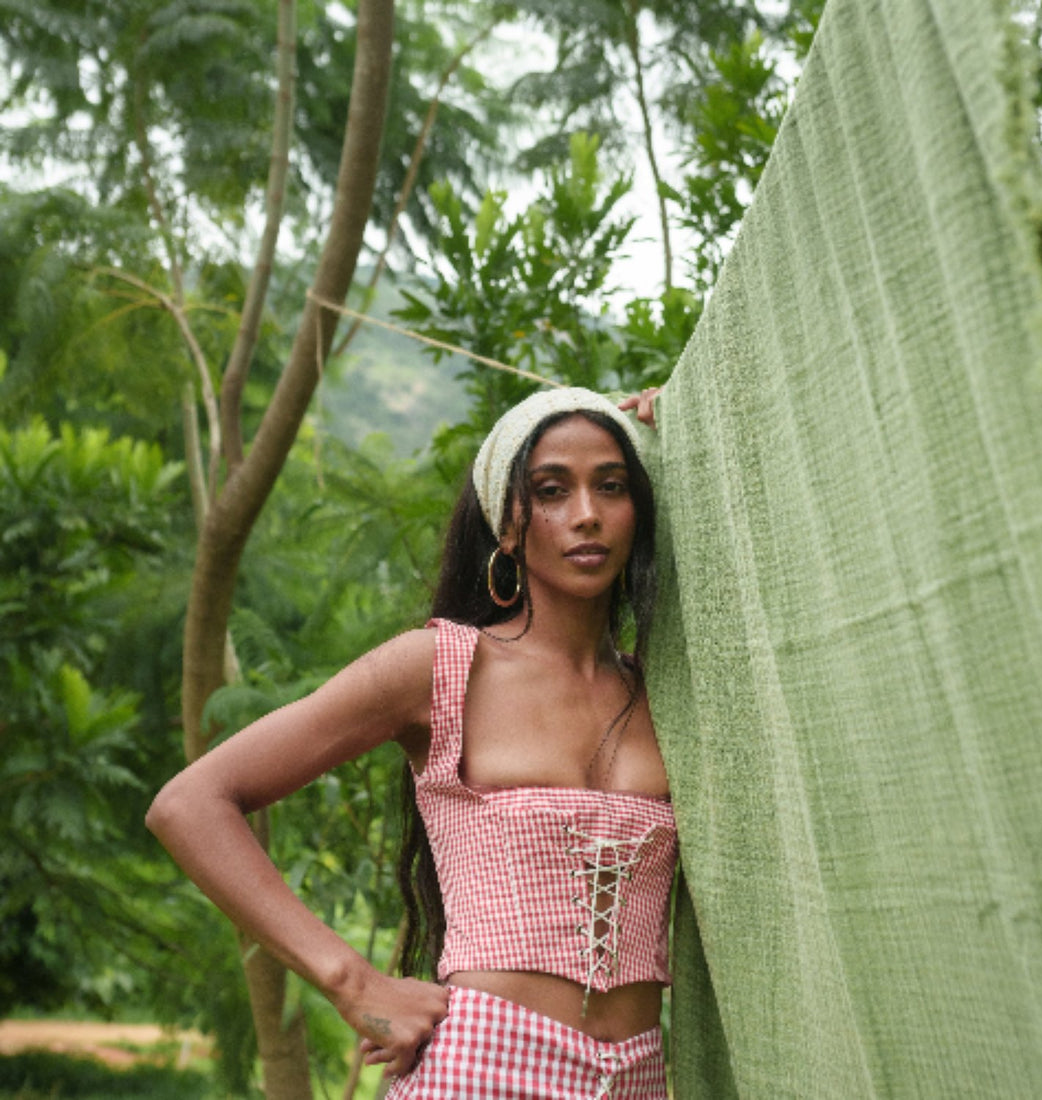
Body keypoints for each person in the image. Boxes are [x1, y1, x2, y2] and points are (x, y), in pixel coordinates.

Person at [146, 385, 674, 1098]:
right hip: (485, 1069)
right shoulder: (442, 668)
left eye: (611, 487)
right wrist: (350, 979)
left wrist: (678, 426)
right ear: (507, 526)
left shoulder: (668, 695)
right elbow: (190, 804)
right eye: (552, 490)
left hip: (639, 1078)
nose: (586, 515)